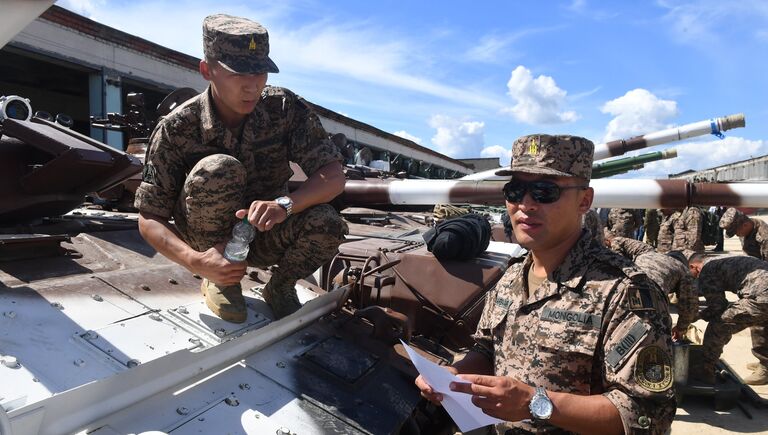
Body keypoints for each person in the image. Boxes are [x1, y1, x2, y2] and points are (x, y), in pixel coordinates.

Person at [414, 135, 675, 434]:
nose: (526, 204)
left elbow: (648, 415)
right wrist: (456, 376)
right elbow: (488, 350)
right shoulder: (512, 276)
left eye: (544, 191)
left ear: (584, 201)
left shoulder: (624, 292)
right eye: (515, 190)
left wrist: (535, 404)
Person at [134, 14, 347, 322]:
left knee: (329, 223)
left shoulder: (283, 109)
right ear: (207, 70)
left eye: (260, 72)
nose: (252, 86)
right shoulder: (177, 128)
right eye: (238, 73)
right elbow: (149, 217)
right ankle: (220, 278)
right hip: (208, 240)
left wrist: (285, 205)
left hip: (265, 231)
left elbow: (333, 175)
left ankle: (280, 287)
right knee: (220, 168)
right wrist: (195, 261)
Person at [687, 254, 768, 385]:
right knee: (762, 322)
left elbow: (717, 306)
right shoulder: (720, 260)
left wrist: (697, 316)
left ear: (694, 267)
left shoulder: (707, 270)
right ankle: (766, 365)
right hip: (763, 293)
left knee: (720, 324)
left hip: (761, 297)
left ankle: (705, 369)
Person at [605, 236, 697, 343]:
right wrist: (681, 328)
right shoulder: (683, 269)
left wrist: (619, 264)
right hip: (649, 293)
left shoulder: (647, 252)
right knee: (655, 335)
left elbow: (617, 240)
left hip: (622, 286)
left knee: (615, 325)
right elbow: (689, 305)